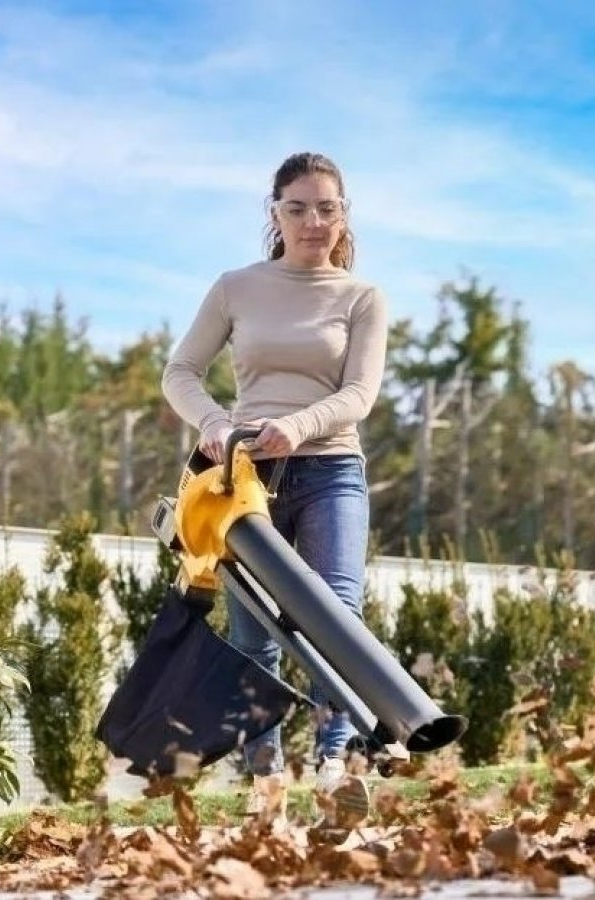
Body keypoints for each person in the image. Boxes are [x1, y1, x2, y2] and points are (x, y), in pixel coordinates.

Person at [160, 151, 388, 829]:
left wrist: (299, 425)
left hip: (330, 469)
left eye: (328, 207)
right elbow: (181, 371)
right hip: (244, 479)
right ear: (275, 214)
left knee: (335, 612)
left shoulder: (362, 297)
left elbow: (360, 393)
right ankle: (267, 777)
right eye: (298, 208)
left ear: (344, 214)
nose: (314, 221)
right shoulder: (237, 287)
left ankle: (334, 765)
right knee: (254, 634)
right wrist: (215, 422)